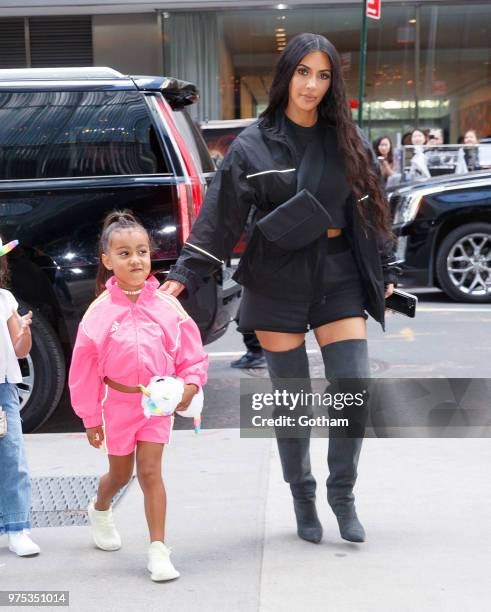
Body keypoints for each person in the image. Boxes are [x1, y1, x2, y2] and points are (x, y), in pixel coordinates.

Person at [162, 33, 398, 546]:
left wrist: (387, 266)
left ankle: (343, 494)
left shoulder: (347, 140)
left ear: (332, 82)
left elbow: (371, 209)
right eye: (303, 72)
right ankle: (303, 495)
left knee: (352, 390)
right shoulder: (253, 144)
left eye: (323, 75)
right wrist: (182, 277)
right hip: (278, 279)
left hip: (338, 275)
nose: (312, 85)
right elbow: (218, 220)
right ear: (286, 74)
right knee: (291, 402)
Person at [68, 210, 208, 581]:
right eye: (125, 253)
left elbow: (192, 355)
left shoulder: (167, 307)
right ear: (107, 260)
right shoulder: (97, 314)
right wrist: (90, 418)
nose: (136, 260)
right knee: (119, 474)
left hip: (156, 406)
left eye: (142, 251)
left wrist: (190, 386)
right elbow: (83, 372)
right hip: (115, 405)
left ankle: (158, 550)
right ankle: (100, 508)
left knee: (149, 471)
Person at [0, 238, 40, 557]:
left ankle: (17, 528)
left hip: (2, 389)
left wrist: (23, 332)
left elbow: (19, 350)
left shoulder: (5, 299)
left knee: (11, 457)